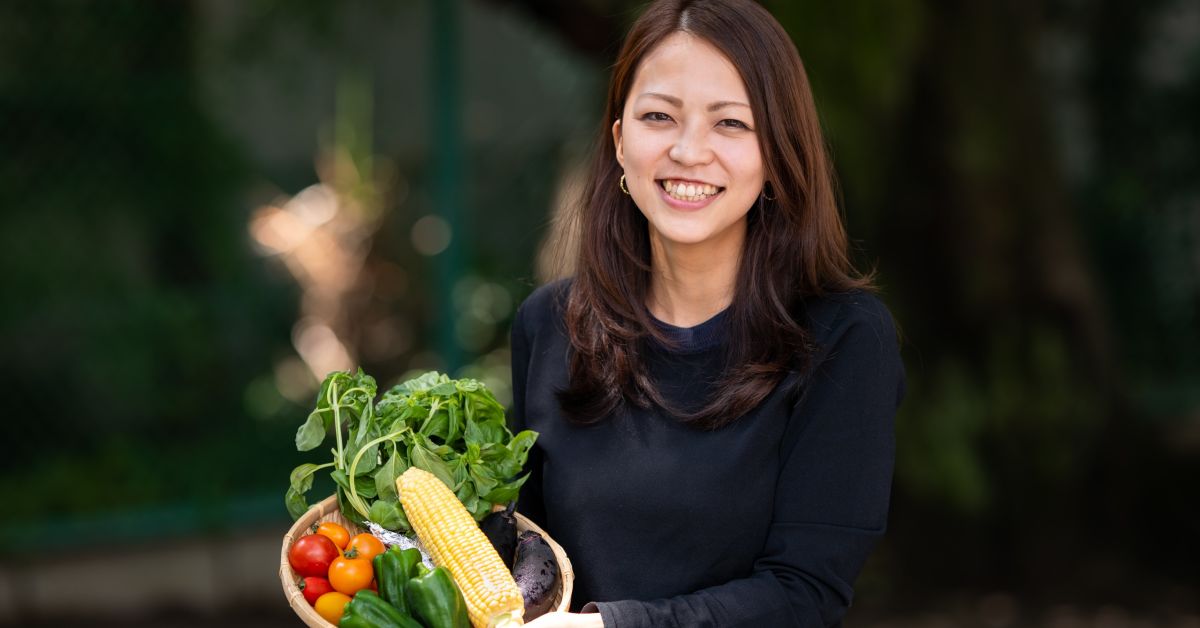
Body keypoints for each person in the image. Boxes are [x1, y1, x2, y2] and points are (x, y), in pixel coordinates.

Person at [511, 1, 905, 626]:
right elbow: (524, 552)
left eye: (730, 124)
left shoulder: (842, 338)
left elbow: (805, 591)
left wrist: (611, 625)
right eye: (659, 116)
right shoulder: (548, 325)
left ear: (777, 152)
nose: (689, 151)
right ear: (619, 141)